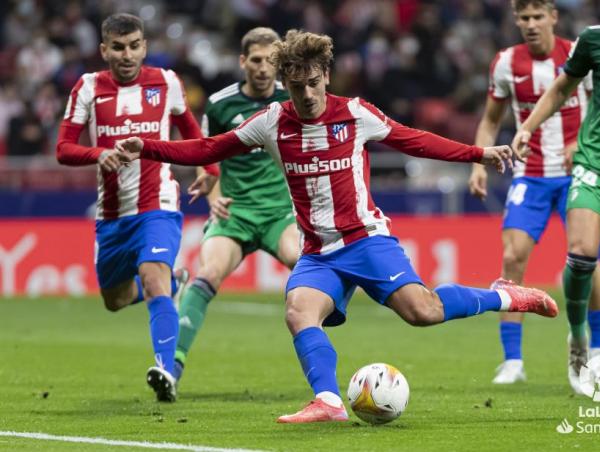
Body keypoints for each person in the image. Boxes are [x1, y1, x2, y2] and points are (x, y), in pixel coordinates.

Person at [116, 30, 560, 424]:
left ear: (326, 75)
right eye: (296, 85)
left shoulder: (355, 113)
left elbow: (415, 140)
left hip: (366, 240)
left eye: (313, 82)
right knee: (298, 311)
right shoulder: (271, 122)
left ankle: (507, 294)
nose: (306, 93)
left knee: (423, 312)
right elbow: (208, 147)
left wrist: (477, 154)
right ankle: (328, 399)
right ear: (284, 84)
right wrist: (148, 148)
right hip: (317, 251)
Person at [55, 13, 219, 402]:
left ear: (144, 46)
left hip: (157, 201)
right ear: (104, 50)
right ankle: (175, 283)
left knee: (151, 277)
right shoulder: (88, 88)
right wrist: (99, 154)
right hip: (112, 214)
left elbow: (193, 133)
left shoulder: (166, 82)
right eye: (118, 47)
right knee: (114, 300)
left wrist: (209, 168)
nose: (127, 55)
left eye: (134, 46)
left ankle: (166, 371)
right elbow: (63, 149)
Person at [510, 0, 600, 394]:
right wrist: (527, 127)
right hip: (596, 164)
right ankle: (577, 339)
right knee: (581, 258)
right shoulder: (596, 39)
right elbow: (562, 87)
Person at [468, 0, 600, 386]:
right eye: (523, 18)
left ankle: (598, 351)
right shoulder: (506, 63)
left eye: (537, 16)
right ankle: (512, 360)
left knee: (586, 258)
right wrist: (479, 162)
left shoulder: (579, 54)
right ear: (516, 20)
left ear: (553, 17)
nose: (530, 24)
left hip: (577, 172)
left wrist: (583, 142)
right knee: (512, 257)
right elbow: (490, 120)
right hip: (529, 176)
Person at [173, 27, 300, 382]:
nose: (263, 68)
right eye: (256, 60)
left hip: (279, 212)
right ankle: (173, 362)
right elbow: (204, 153)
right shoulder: (220, 104)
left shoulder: (293, 99)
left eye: (270, 61)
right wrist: (214, 199)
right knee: (208, 273)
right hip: (235, 212)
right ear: (243, 61)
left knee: (303, 262)